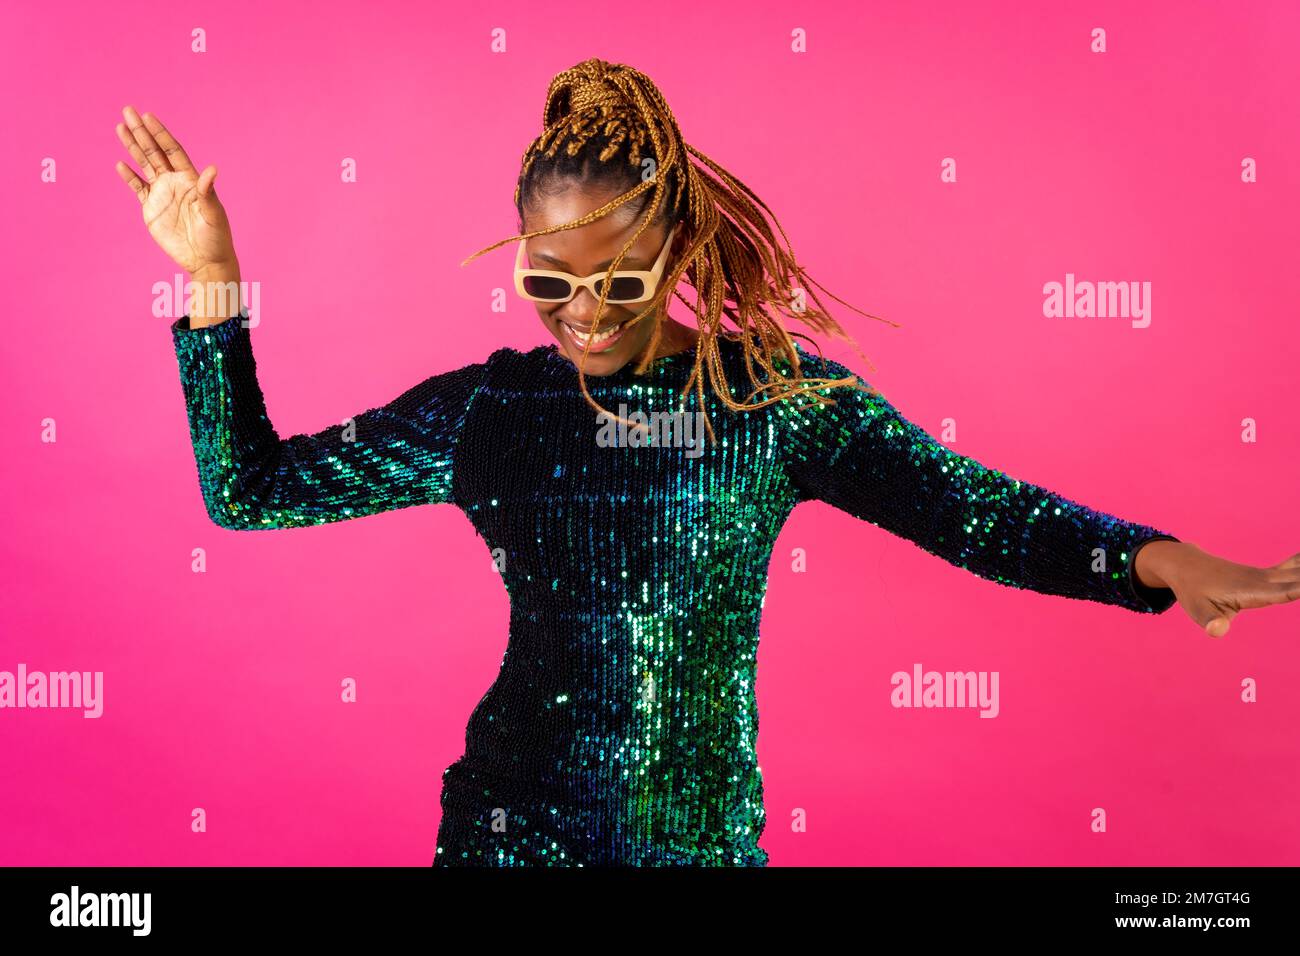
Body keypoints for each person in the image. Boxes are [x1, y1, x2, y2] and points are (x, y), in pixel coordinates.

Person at [115, 58, 1299, 867]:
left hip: (701, 840)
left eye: (619, 281)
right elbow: (251, 492)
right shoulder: (491, 407)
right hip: (508, 835)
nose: (580, 313)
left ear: (676, 243)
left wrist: (1147, 558)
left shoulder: (772, 401)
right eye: (547, 281)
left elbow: (979, 515)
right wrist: (212, 275)